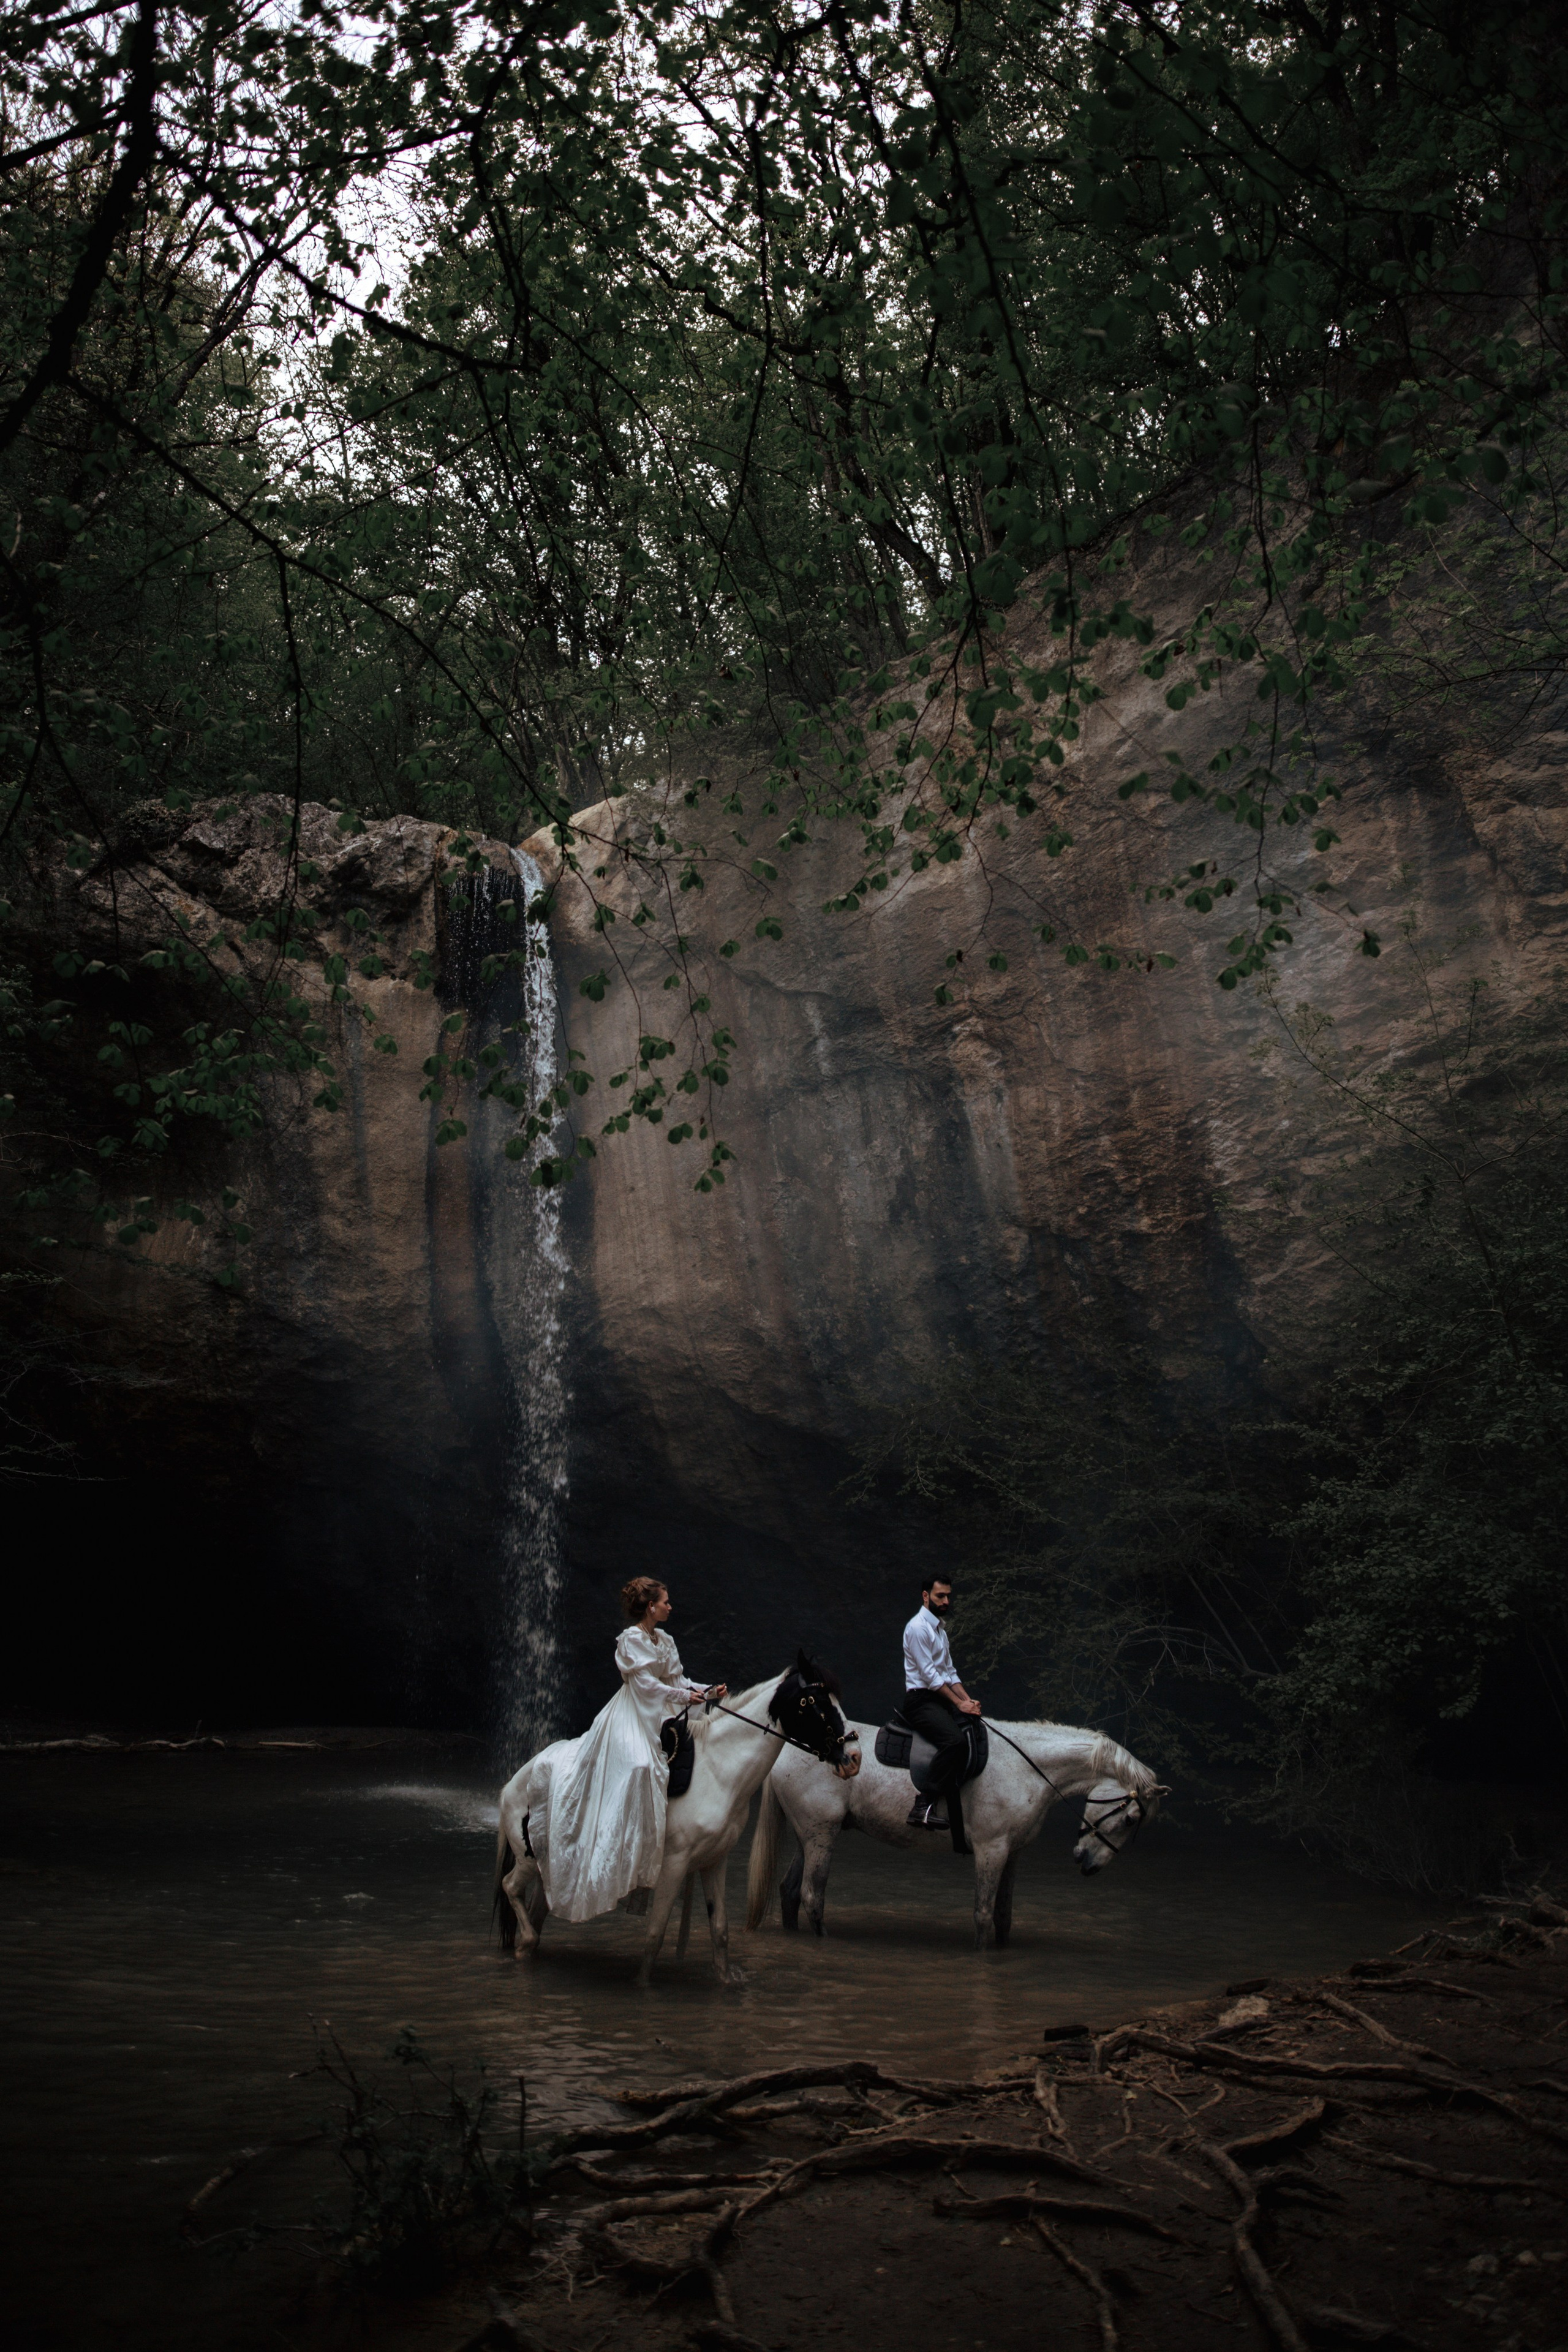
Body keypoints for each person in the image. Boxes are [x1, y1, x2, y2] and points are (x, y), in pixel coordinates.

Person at [535, 1577, 728, 1922]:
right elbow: (645, 1685)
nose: (671, 1607)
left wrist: (708, 1691)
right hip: (632, 1714)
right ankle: (619, 1847)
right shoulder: (631, 1639)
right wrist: (684, 1697)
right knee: (642, 1766)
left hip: (661, 1710)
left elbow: (677, 1681)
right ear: (651, 1606)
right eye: (665, 1602)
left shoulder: (665, 1640)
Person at [900, 1576, 981, 1830]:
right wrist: (959, 1705)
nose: (946, 1601)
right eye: (940, 1596)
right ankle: (922, 1807)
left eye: (948, 1596)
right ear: (926, 1596)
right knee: (954, 1741)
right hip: (921, 1702)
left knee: (974, 1729)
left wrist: (969, 1701)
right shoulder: (917, 1628)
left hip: (938, 1698)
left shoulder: (940, 1631)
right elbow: (931, 1677)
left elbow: (950, 1673)